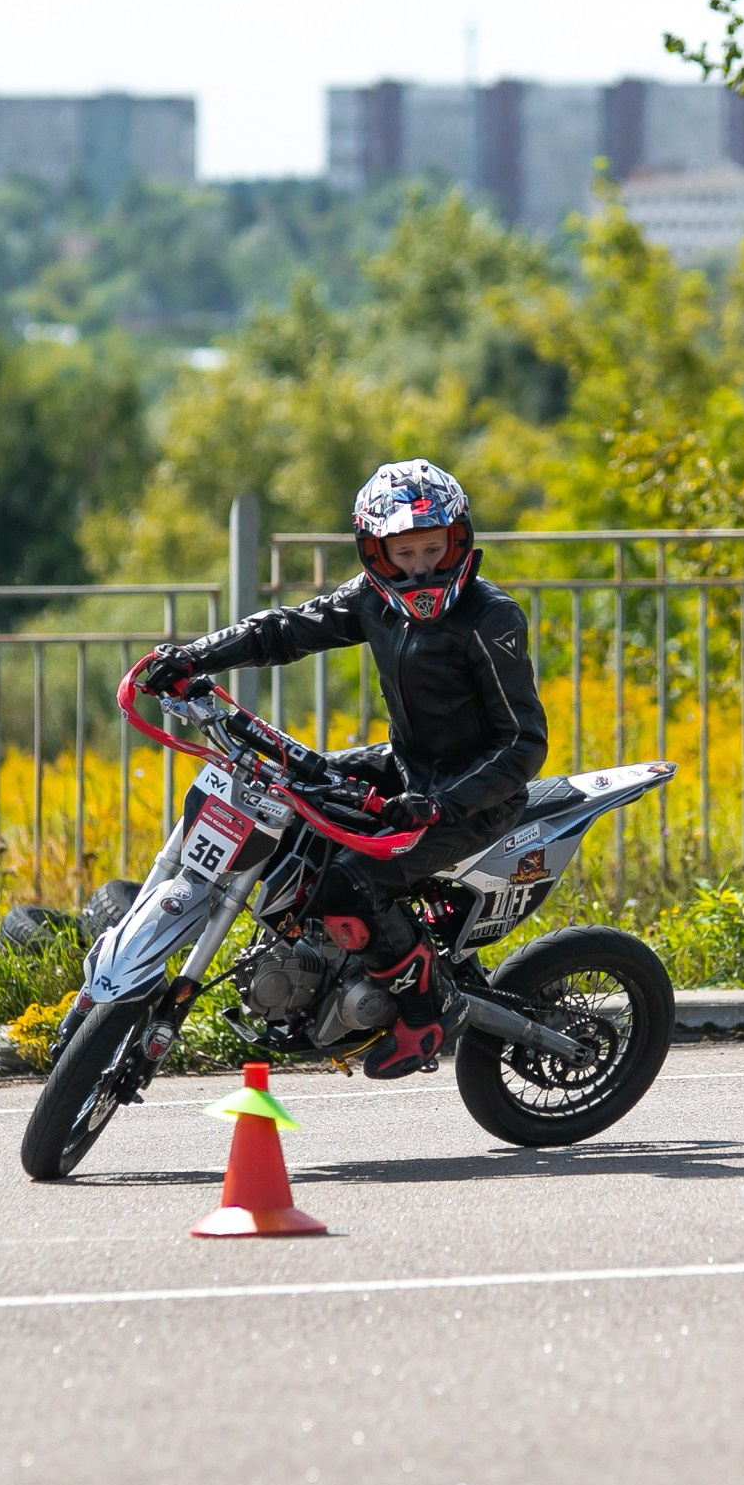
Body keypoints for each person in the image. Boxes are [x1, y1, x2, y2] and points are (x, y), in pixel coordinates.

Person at [137, 460, 547, 1078]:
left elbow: (522, 743)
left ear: (459, 542)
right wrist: (195, 656)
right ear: (374, 553)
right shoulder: (372, 603)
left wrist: (442, 804)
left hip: (475, 798)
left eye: (434, 548)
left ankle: (424, 1009)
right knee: (285, 798)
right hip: (406, 768)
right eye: (403, 552)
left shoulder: (491, 619)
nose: (420, 567)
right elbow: (283, 630)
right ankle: (321, 963)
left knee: (350, 883)